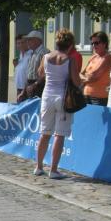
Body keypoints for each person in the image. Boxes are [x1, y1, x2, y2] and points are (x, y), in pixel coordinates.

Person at [34, 28, 80, 179]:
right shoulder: (69, 60)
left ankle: (39, 166)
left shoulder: (46, 57)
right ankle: (53, 170)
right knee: (59, 135)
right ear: (70, 45)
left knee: (44, 133)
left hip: (47, 96)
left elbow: (40, 73)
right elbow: (76, 81)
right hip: (62, 97)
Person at [80, 31, 111, 106]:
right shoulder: (94, 57)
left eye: (96, 43)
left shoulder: (107, 58)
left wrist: (85, 77)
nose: (94, 45)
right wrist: (87, 77)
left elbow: (94, 77)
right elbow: (81, 73)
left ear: (104, 44)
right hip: (86, 94)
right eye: (92, 43)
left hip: (99, 97)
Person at [13, 34, 31, 100]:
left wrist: (24, 90)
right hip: (19, 87)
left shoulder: (31, 54)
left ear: (27, 43)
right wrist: (15, 66)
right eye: (18, 43)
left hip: (27, 88)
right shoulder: (20, 55)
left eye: (22, 42)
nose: (20, 45)